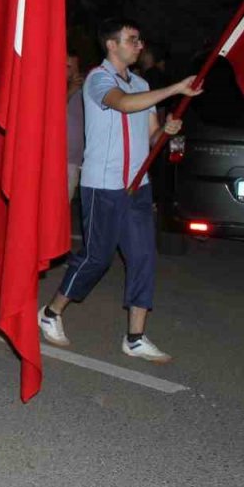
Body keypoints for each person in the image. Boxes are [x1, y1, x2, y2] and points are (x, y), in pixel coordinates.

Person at [38, 18, 201, 363]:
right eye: (132, 40)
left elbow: (151, 134)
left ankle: (136, 337)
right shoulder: (98, 80)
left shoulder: (141, 82)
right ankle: (51, 313)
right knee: (96, 259)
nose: (139, 45)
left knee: (143, 258)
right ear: (112, 45)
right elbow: (124, 104)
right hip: (103, 185)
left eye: (140, 40)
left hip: (137, 187)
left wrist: (166, 131)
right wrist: (174, 89)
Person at [66, 47, 85, 203]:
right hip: (53, 158)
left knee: (63, 205)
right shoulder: (52, 88)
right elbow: (51, 113)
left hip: (73, 159)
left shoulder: (84, 91)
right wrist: (70, 90)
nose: (73, 72)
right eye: (68, 67)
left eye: (75, 67)